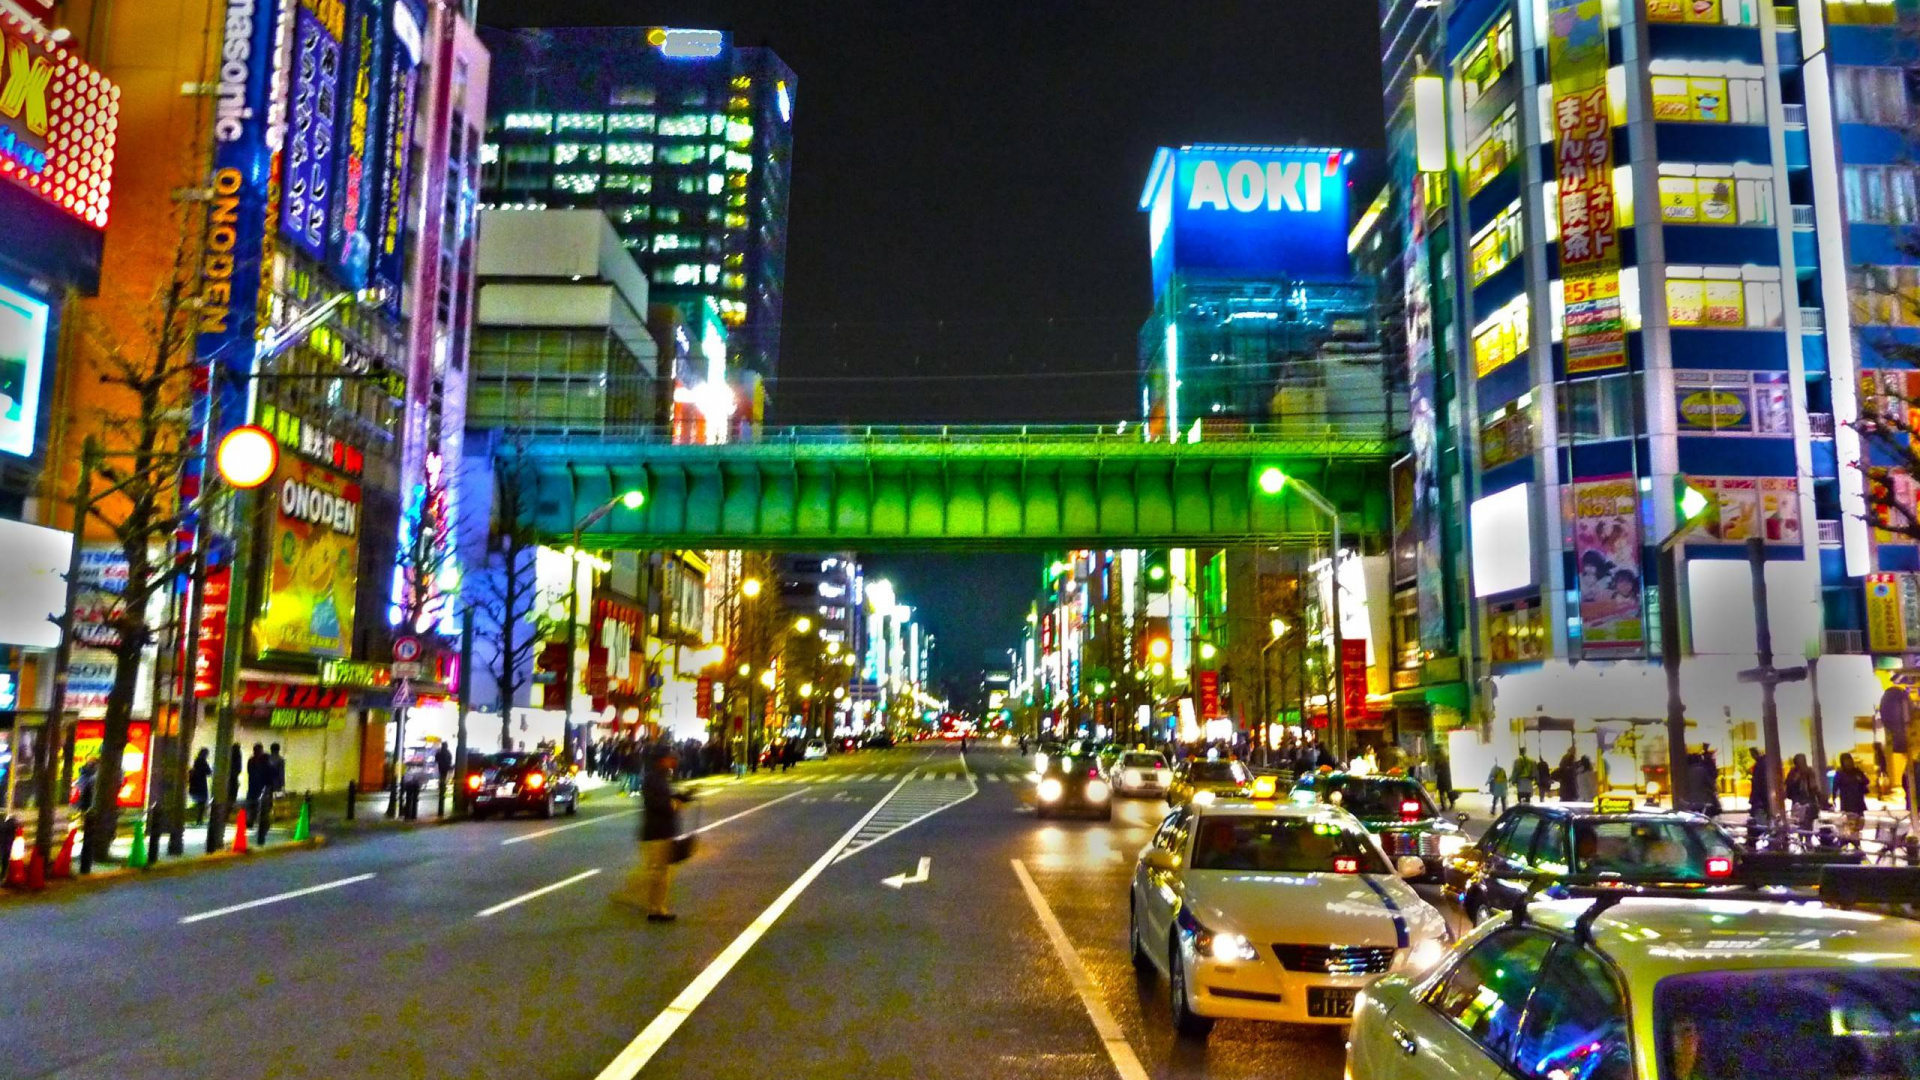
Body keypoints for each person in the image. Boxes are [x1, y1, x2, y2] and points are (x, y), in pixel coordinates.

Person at [613, 745, 686, 921]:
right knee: (658, 873)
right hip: (656, 832)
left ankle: (657, 907)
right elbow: (657, 803)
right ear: (662, 759)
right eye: (670, 758)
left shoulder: (659, 776)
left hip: (660, 831)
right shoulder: (653, 778)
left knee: (660, 872)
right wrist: (673, 804)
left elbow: (663, 798)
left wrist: (681, 797)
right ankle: (654, 909)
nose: (673, 761)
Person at [1834, 752, 1870, 848]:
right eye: (1846, 761)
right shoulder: (1840, 773)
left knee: (1859, 824)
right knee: (1849, 825)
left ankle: (1855, 842)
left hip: (1858, 802)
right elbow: (1835, 787)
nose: (1849, 763)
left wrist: (1860, 779)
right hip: (1847, 803)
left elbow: (1866, 781)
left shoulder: (1857, 771)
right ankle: (1848, 842)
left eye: (1850, 760)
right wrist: (1833, 799)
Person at [1785, 753, 1821, 833]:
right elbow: (1789, 786)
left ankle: (1808, 841)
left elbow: (1813, 787)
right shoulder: (1793, 773)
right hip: (1798, 803)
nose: (1803, 763)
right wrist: (1797, 777)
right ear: (1796, 763)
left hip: (1810, 803)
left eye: (1804, 761)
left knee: (1809, 826)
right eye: (1801, 761)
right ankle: (1802, 841)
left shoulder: (1810, 772)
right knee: (1800, 826)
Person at [244, 743, 270, 827]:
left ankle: (254, 820)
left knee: (255, 804)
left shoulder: (257, 760)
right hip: (255, 785)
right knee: (253, 804)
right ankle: (252, 820)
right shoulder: (255, 760)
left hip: (258, 785)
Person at [189, 748, 212, 825]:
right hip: (201, 784)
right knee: (202, 802)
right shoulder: (203, 762)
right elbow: (209, 772)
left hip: (195, 784)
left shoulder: (197, 761)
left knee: (200, 802)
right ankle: (199, 819)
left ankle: (198, 818)